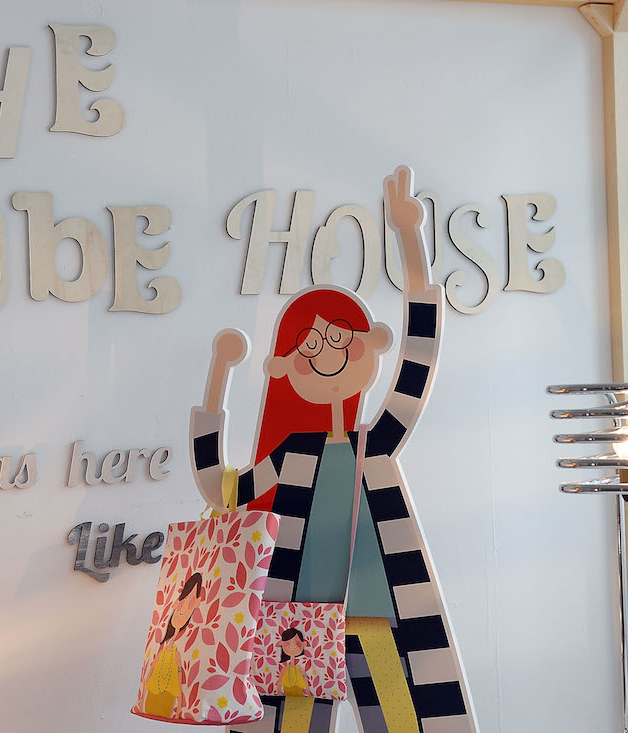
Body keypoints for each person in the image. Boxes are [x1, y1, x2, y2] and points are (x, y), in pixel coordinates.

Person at [189, 167, 477, 733]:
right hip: (297, 622)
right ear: (286, 367)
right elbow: (221, 490)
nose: (328, 353)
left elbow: (417, 363)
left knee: (403, 722)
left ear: (368, 348)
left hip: (377, 612)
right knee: (289, 725)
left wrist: (411, 243)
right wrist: (217, 381)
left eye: (341, 339)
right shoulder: (292, 452)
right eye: (312, 344)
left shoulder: (378, 442)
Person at [143, 572, 203, 719]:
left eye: (191, 599)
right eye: (185, 598)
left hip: (168, 698)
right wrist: (142, 697)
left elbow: (179, 675)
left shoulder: (177, 651)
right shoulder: (164, 648)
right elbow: (152, 668)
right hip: (152, 695)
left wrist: (179, 708)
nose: (184, 607)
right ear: (176, 603)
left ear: (196, 603)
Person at [278, 628, 308, 697]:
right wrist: (278, 692)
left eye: (296, 642)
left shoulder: (300, 669)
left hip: (300, 693)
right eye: (288, 642)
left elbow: (305, 680)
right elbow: (279, 681)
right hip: (285, 694)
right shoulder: (285, 669)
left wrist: (308, 693)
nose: (292, 645)